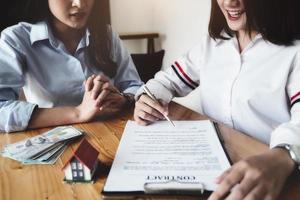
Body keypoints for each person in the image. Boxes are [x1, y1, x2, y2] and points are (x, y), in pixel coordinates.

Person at [134, 0, 300, 199]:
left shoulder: (294, 51)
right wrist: (147, 97)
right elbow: (168, 81)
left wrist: (283, 156)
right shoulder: (212, 44)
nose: (229, 2)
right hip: (208, 169)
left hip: (269, 179)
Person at [0, 0, 143, 132]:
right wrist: (78, 113)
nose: (80, 4)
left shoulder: (107, 35)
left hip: (109, 135)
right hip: (50, 141)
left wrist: (124, 99)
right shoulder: (15, 39)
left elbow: (134, 85)